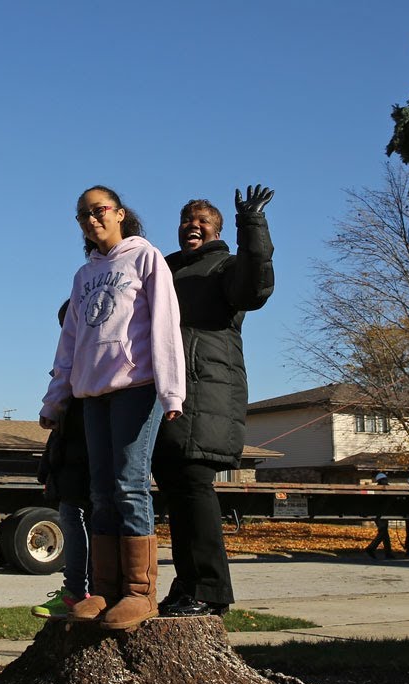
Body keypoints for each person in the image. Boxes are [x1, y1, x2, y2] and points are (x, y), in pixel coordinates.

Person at [40, 185, 185, 631]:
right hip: (91, 394)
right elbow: (71, 343)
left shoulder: (146, 258)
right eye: (82, 215)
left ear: (120, 213)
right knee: (99, 491)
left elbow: (165, 323)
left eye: (98, 210)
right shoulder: (84, 276)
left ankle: (140, 593)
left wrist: (171, 391)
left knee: (128, 484)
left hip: (135, 387)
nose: (90, 219)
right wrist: (56, 396)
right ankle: (103, 589)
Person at [152, 185, 275, 618]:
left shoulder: (226, 267)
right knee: (177, 493)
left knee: (192, 486)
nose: (193, 226)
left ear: (217, 230)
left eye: (203, 221)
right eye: (187, 220)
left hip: (204, 392)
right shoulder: (164, 269)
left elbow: (255, 289)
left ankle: (209, 591)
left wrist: (252, 224)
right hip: (162, 397)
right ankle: (188, 585)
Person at [31, 302, 91, 619]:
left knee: (92, 524)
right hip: (69, 459)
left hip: (93, 458)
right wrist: (48, 464)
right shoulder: (67, 370)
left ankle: (89, 592)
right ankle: (74, 592)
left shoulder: (99, 368)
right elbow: (59, 429)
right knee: (70, 519)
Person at [365, 473, 395, 559]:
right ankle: (371, 548)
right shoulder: (380, 489)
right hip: (380, 514)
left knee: (384, 533)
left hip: (382, 513)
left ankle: (387, 552)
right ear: (381, 481)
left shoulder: (380, 489)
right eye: (384, 479)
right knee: (383, 532)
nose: (386, 481)